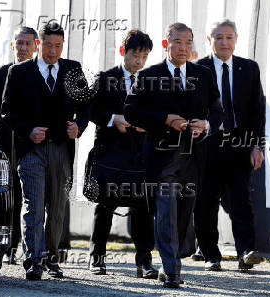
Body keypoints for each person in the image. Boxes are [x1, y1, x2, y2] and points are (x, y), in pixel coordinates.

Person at [124, 22, 222, 288]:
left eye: (188, 42)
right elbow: (131, 112)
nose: (183, 47)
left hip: (193, 156)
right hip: (161, 157)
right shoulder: (148, 76)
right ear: (167, 44)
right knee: (166, 211)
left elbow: (217, 109)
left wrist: (207, 124)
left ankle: (173, 258)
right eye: (178, 42)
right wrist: (166, 119)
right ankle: (172, 270)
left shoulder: (203, 74)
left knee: (183, 215)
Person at [1, 22, 89, 280]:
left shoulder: (73, 69)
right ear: (38, 44)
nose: (53, 51)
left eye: (58, 45)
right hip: (32, 150)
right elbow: (7, 111)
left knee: (58, 208)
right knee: (34, 206)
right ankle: (33, 260)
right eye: (48, 45)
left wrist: (79, 126)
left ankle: (52, 259)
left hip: (62, 150)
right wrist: (28, 130)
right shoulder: (19, 72)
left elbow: (85, 105)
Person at [194, 19, 265, 272]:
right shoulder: (197, 69)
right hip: (207, 146)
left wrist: (257, 145)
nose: (224, 42)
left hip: (240, 144)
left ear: (236, 39)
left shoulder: (249, 68)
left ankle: (246, 252)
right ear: (209, 40)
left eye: (229, 37)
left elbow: (258, 111)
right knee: (206, 202)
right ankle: (211, 255)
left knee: (241, 200)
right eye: (218, 37)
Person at [88, 29, 157, 279]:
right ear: (123, 52)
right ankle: (97, 259)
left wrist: (146, 123)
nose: (139, 61)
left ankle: (145, 262)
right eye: (135, 55)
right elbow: (91, 111)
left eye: (145, 56)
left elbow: (159, 114)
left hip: (139, 156)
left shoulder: (151, 81)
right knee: (105, 207)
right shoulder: (106, 77)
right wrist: (113, 119)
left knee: (143, 209)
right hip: (110, 154)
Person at [0, 26, 38, 265]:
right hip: (5, 146)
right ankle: (8, 247)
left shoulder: (41, 74)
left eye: (27, 43)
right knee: (9, 196)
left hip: (34, 146)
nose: (23, 47)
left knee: (33, 197)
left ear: (36, 45)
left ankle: (36, 249)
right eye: (19, 43)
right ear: (13, 45)